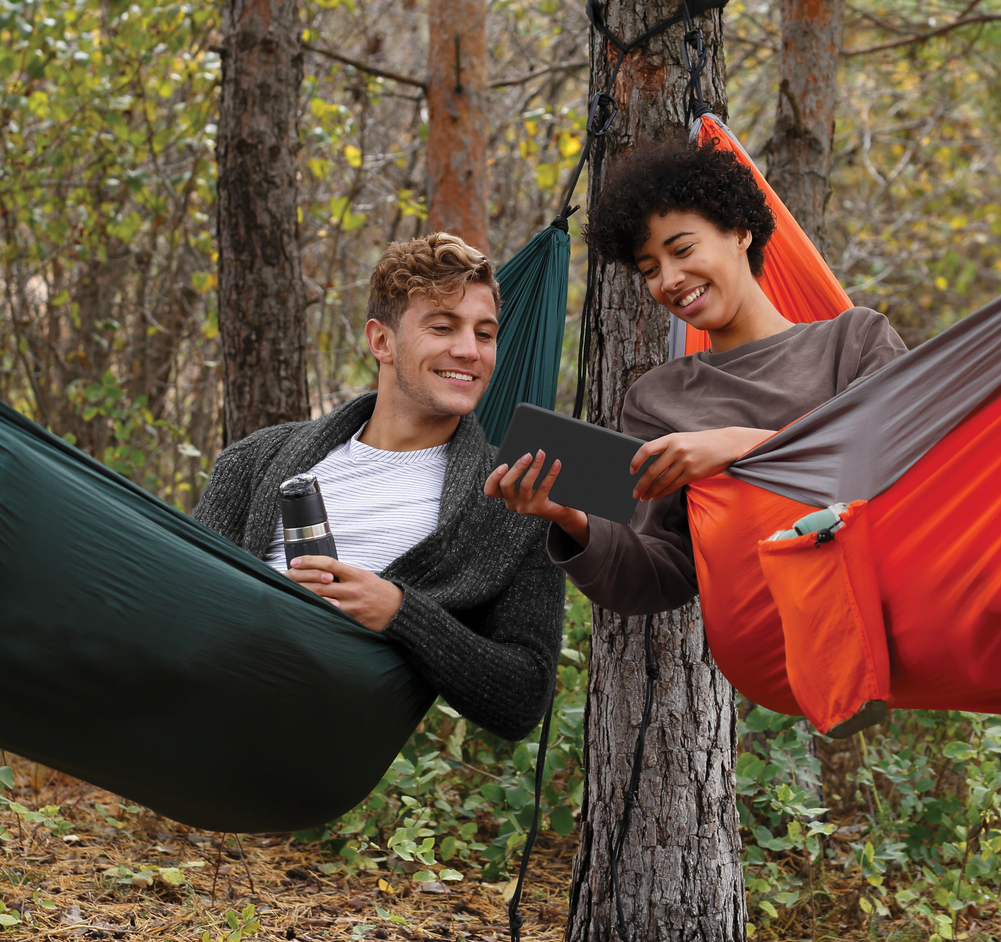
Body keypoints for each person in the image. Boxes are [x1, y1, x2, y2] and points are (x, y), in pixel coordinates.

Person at [486, 135, 908, 619]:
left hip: (885, 592)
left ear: (739, 232)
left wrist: (737, 446)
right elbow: (660, 575)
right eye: (650, 269)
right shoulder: (658, 400)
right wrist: (571, 519)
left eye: (682, 249)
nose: (668, 280)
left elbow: (899, 459)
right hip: (770, 631)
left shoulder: (854, 339)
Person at [193, 233, 565, 741]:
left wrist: (399, 611)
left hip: (324, 747)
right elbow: (183, 599)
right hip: (210, 710)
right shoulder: (255, 462)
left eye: (485, 333)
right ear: (381, 341)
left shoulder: (514, 497)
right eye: (442, 327)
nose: (469, 351)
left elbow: (523, 700)